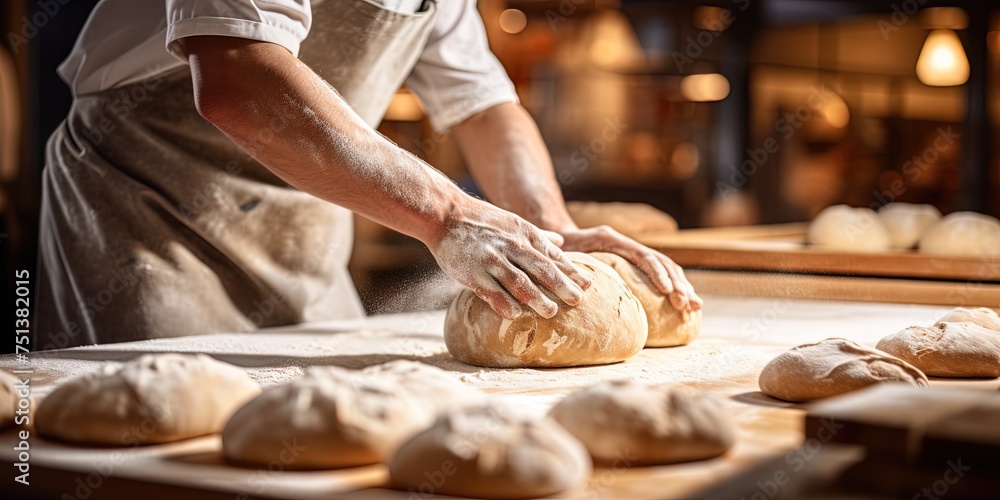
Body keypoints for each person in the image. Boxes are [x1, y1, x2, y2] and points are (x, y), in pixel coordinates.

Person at [36, 0, 701, 349]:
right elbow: (237, 76)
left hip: (302, 228)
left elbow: (483, 107)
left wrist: (552, 230)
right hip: (149, 214)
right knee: (164, 450)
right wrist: (448, 215)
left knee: (312, 433)